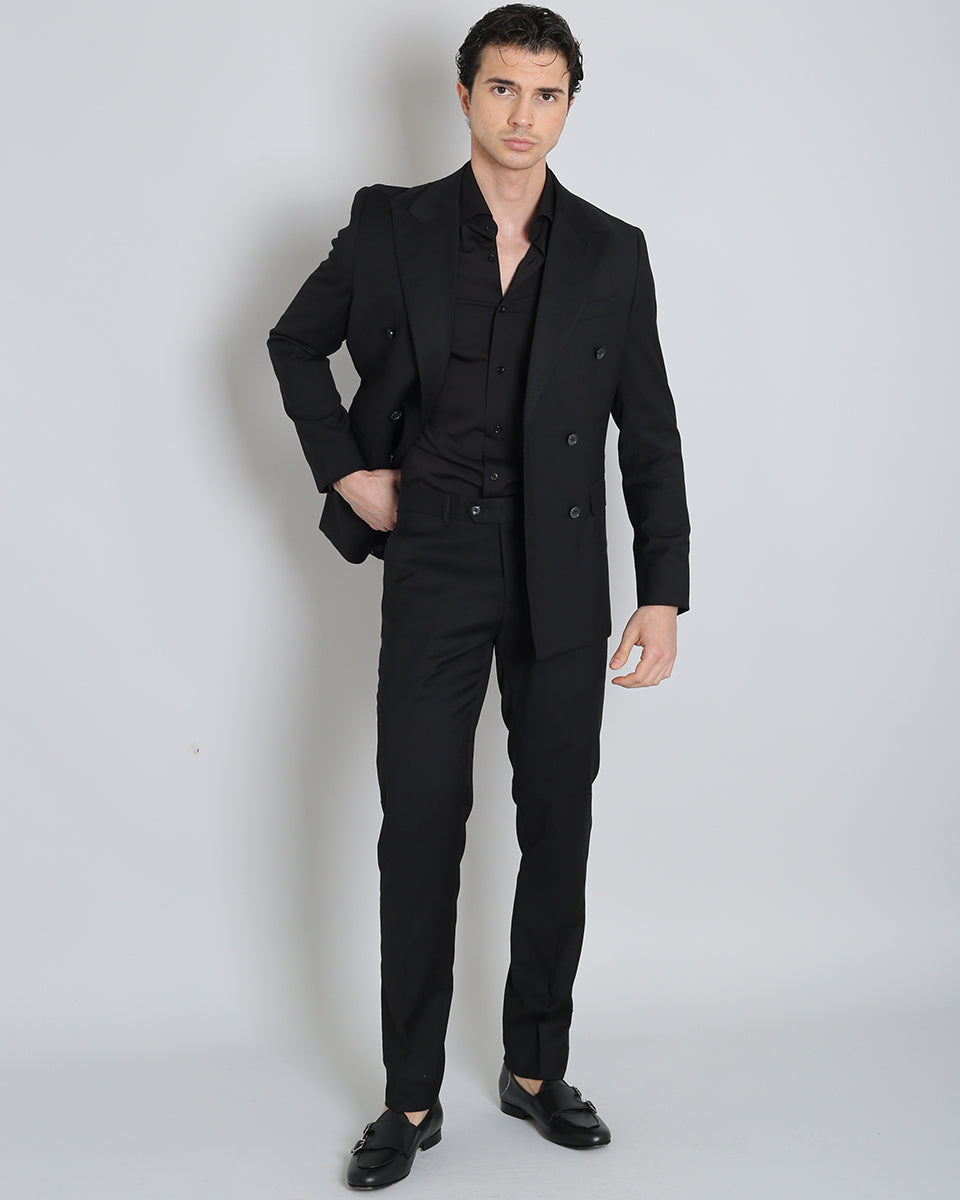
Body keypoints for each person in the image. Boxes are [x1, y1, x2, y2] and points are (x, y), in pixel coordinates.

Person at [267, 4, 690, 1189]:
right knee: (420, 820)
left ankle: (535, 1070)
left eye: (546, 94)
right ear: (465, 96)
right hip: (435, 557)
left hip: (561, 567)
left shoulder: (612, 253)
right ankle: (409, 1099)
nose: (523, 115)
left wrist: (663, 592)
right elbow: (294, 342)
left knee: (558, 817)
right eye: (503, 88)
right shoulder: (391, 226)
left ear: (568, 107)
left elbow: (649, 433)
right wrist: (348, 473)